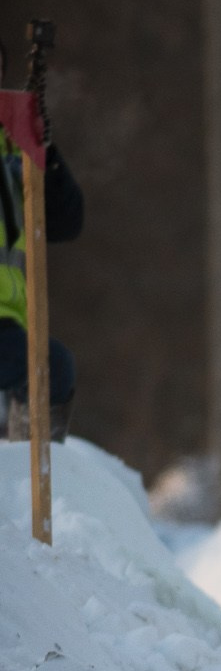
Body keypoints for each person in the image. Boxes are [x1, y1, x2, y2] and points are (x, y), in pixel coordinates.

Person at [0, 43, 84, 440]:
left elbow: (66, 222)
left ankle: (27, 465)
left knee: (51, 368)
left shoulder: (12, 142)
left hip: (7, 320)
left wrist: (43, 154)